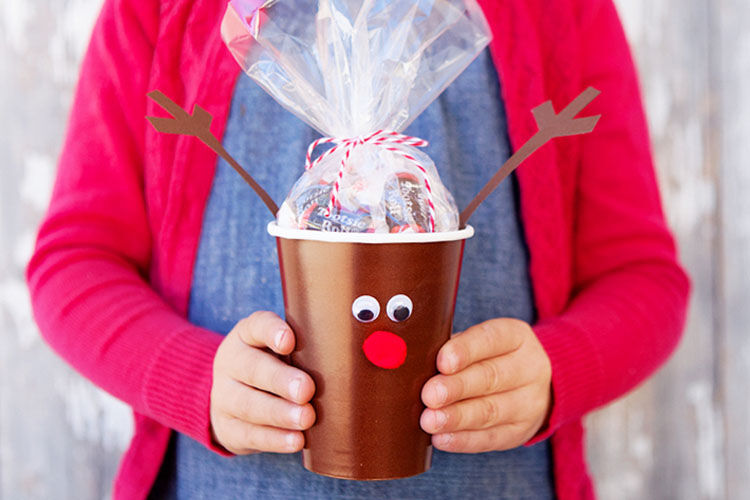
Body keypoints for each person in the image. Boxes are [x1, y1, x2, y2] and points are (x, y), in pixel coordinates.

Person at [27, 0, 690, 499]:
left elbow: (641, 276)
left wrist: (556, 371)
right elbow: (75, 261)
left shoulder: (556, 14)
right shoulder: (163, 12)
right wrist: (193, 380)